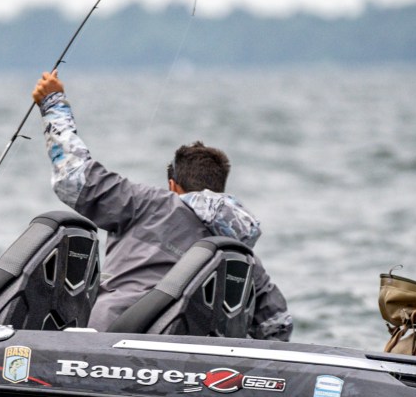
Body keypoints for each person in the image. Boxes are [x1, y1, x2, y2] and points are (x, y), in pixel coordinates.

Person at [31, 70, 293, 341]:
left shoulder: (148, 204)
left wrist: (53, 102)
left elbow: (73, 178)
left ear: (173, 186)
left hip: (108, 345)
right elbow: (278, 325)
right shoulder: (244, 258)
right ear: (220, 189)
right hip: (191, 360)